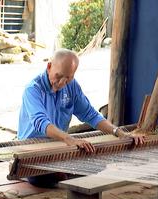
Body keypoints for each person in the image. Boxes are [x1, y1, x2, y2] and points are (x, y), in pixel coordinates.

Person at [18, 49, 145, 187]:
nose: (61, 83)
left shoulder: (72, 87)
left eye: (68, 78)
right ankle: (55, 174)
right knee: (42, 177)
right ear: (49, 67)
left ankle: (62, 173)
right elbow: (40, 122)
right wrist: (69, 139)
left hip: (60, 148)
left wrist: (119, 132)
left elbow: (90, 114)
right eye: (58, 76)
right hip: (32, 150)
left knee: (96, 164)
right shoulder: (33, 90)